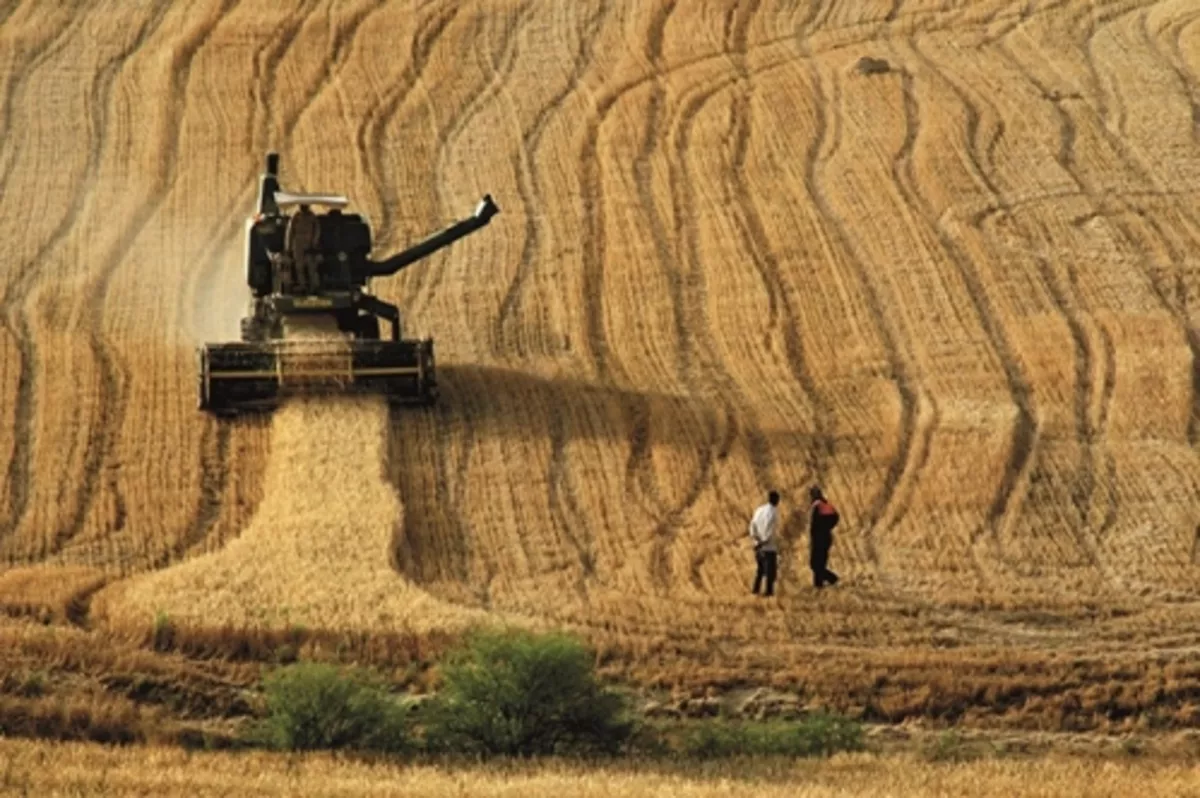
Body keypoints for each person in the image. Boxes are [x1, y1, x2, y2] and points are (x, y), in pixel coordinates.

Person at [748, 490, 781, 597]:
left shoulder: (759, 510)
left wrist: (756, 540)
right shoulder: (773, 512)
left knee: (760, 571)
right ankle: (768, 592)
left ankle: (755, 590)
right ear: (776, 500)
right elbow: (770, 530)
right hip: (768, 547)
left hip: (757, 545)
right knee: (770, 572)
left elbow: (752, 525)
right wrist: (763, 542)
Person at [809, 486, 840, 588]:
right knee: (820, 563)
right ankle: (818, 585)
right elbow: (836, 517)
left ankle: (832, 579)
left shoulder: (817, 506)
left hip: (819, 539)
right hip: (826, 537)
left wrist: (817, 533)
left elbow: (814, 525)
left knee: (814, 564)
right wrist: (827, 527)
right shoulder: (826, 505)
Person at [286, 203, 321, 293]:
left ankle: (315, 285)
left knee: (311, 266)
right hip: (298, 244)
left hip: (309, 244)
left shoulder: (312, 216)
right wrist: (288, 247)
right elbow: (290, 232)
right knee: (299, 266)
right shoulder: (296, 216)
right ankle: (303, 285)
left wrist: (314, 243)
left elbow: (317, 230)